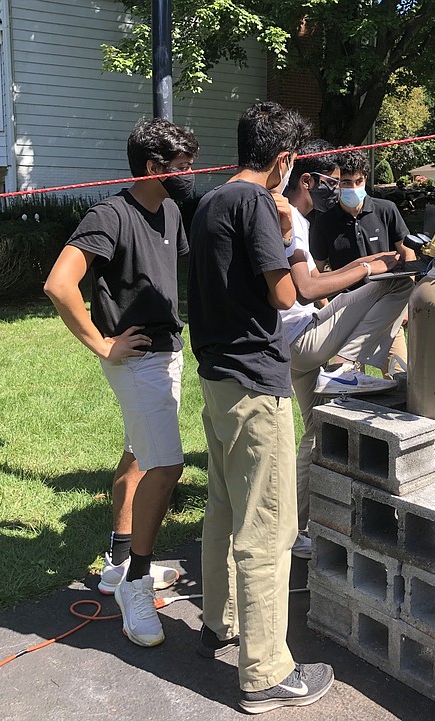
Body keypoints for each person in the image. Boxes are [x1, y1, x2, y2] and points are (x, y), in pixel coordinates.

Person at [187, 101, 334, 714]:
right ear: (282, 160)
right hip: (255, 384)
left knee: (223, 511)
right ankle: (267, 674)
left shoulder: (209, 201)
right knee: (268, 530)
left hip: (218, 380)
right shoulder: (254, 205)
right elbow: (286, 294)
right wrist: (287, 235)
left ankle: (219, 623)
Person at [44, 118, 199, 648]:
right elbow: (59, 283)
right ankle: (135, 584)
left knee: (138, 455)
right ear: (153, 168)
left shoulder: (173, 211)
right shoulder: (110, 214)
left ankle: (117, 561)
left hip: (167, 351)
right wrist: (101, 342)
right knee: (167, 464)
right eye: (181, 167)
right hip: (135, 359)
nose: (190, 174)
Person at [282, 140, 413, 559]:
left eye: (351, 182)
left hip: (292, 342)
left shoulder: (286, 214)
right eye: (336, 183)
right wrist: (370, 265)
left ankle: (295, 529)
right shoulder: (302, 222)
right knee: (396, 281)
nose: (342, 189)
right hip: (309, 336)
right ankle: (351, 363)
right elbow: (310, 285)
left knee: (306, 438)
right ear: (312, 181)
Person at [310, 149, 415, 377]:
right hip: (348, 312)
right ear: (337, 183)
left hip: (388, 309)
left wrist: (407, 302)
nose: (354, 187)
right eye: (346, 182)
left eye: (359, 181)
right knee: (346, 383)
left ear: (366, 180)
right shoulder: (324, 222)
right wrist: (328, 309)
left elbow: (407, 253)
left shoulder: (386, 210)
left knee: (401, 378)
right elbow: (314, 274)